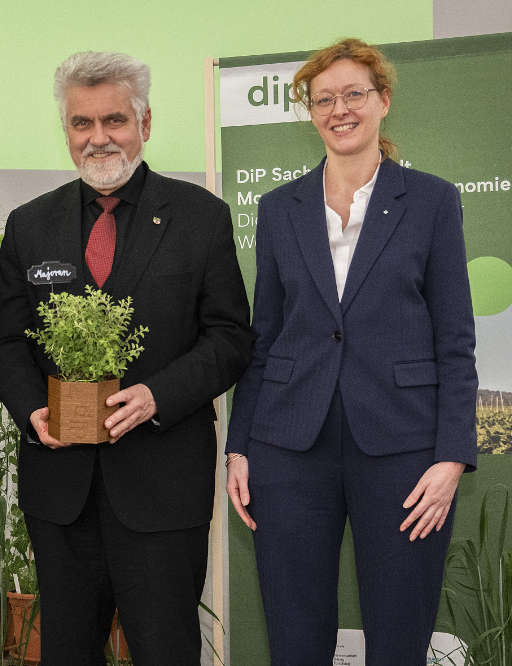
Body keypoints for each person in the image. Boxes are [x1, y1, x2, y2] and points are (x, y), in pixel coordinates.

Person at [0, 51, 254, 664]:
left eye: (114, 120)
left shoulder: (200, 217)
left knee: (165, 650)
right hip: (61, 493)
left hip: (163, 488)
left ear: (145, 123)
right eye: (82, 124)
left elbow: (229, 337)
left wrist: (158, 395)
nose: (98, 138)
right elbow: (8, 341)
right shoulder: (30, 224)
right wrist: (32, 410)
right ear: (66, 131)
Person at [226, 38, 478, 665]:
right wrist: (240, 443)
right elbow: (265, 339)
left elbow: (455, 343)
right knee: (294, 631)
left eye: (354, 94)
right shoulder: (280, 208)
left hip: (403, 449)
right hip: (288, 447)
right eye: (324, 99)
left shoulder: (432, 201)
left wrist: (451, 457)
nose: (340, 109)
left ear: (383, 101)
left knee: (399, 633)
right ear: (310, 112)